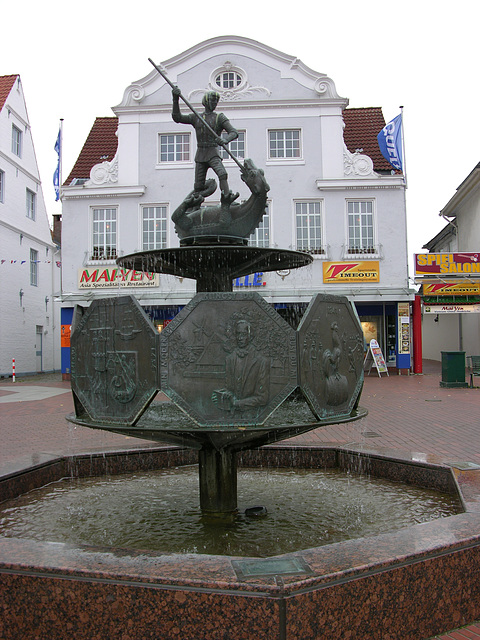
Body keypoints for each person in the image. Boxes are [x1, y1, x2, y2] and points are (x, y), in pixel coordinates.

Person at [172, 87, 239, 201]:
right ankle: (194, 206)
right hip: (201, 154)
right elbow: (177, 118)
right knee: (198, 186)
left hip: (213, 152)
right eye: (212, 100)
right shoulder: (196, 117)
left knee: (222, 174)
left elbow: (234, 132)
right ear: (205, 101)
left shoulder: (219, 117)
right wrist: (175, 99)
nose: (214, 103)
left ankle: (227, 199)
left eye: (216, 101)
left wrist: (225, 140)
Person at [212, 320, 269, 414]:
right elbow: (229, 388)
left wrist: (237, 403)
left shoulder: (261, 361)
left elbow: (263, 398)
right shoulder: (229, 359)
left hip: (252, 414)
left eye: (243, 334)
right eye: (238, 334)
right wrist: (221, 396)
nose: (240, 338)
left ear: (250, 337)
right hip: (231, 415)